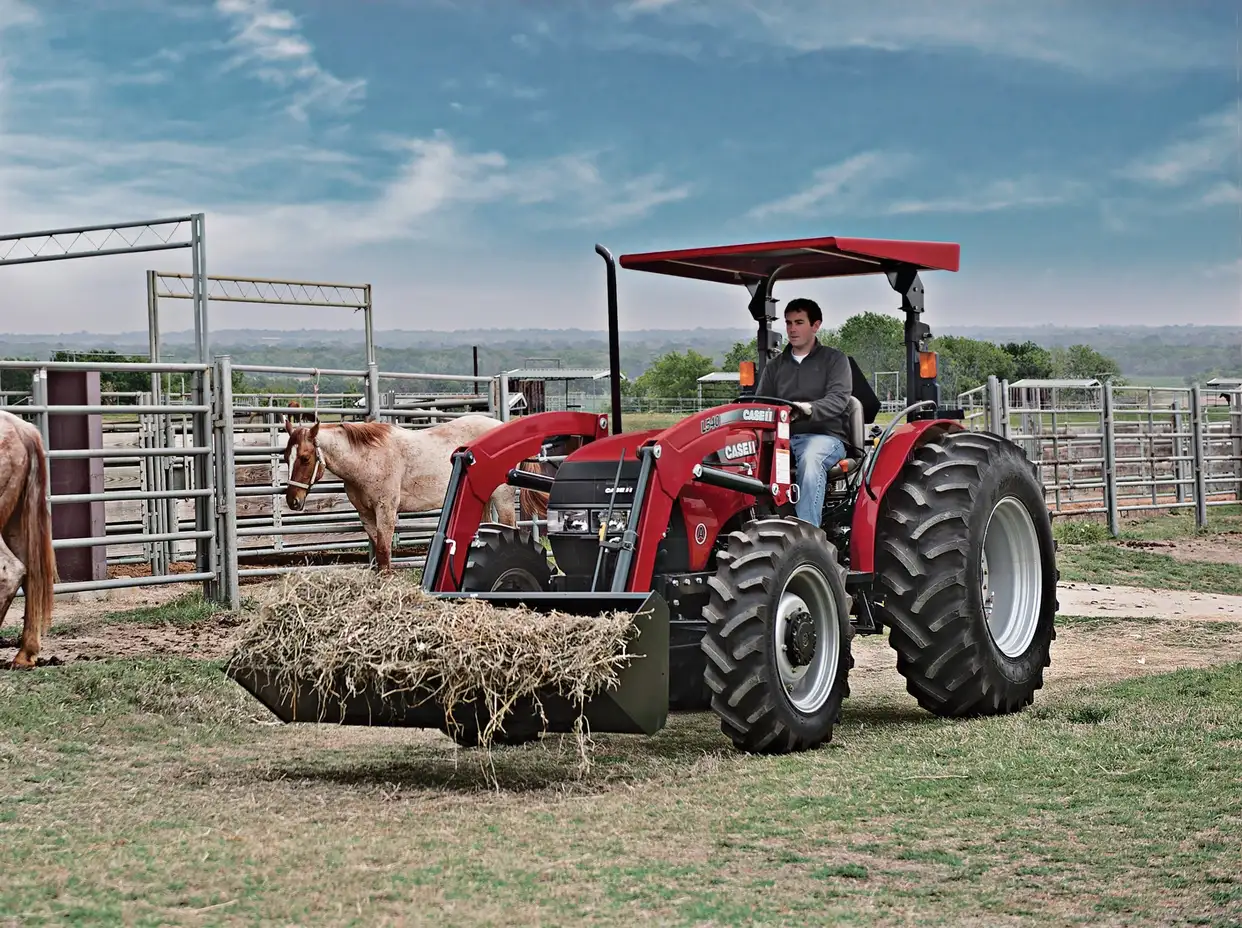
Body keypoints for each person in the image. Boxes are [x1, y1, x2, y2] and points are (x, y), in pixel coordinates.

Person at [754, 297, 853, 526]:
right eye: (788, 323)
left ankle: (807, 536)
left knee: (810, 460)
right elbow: (761, 404)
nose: (792, 329)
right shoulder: (775, 366)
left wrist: (808, 409)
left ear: (815, 325)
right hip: (782, 440)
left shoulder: (834, 360)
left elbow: (838, 400)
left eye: (799, 322)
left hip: (824, 437)